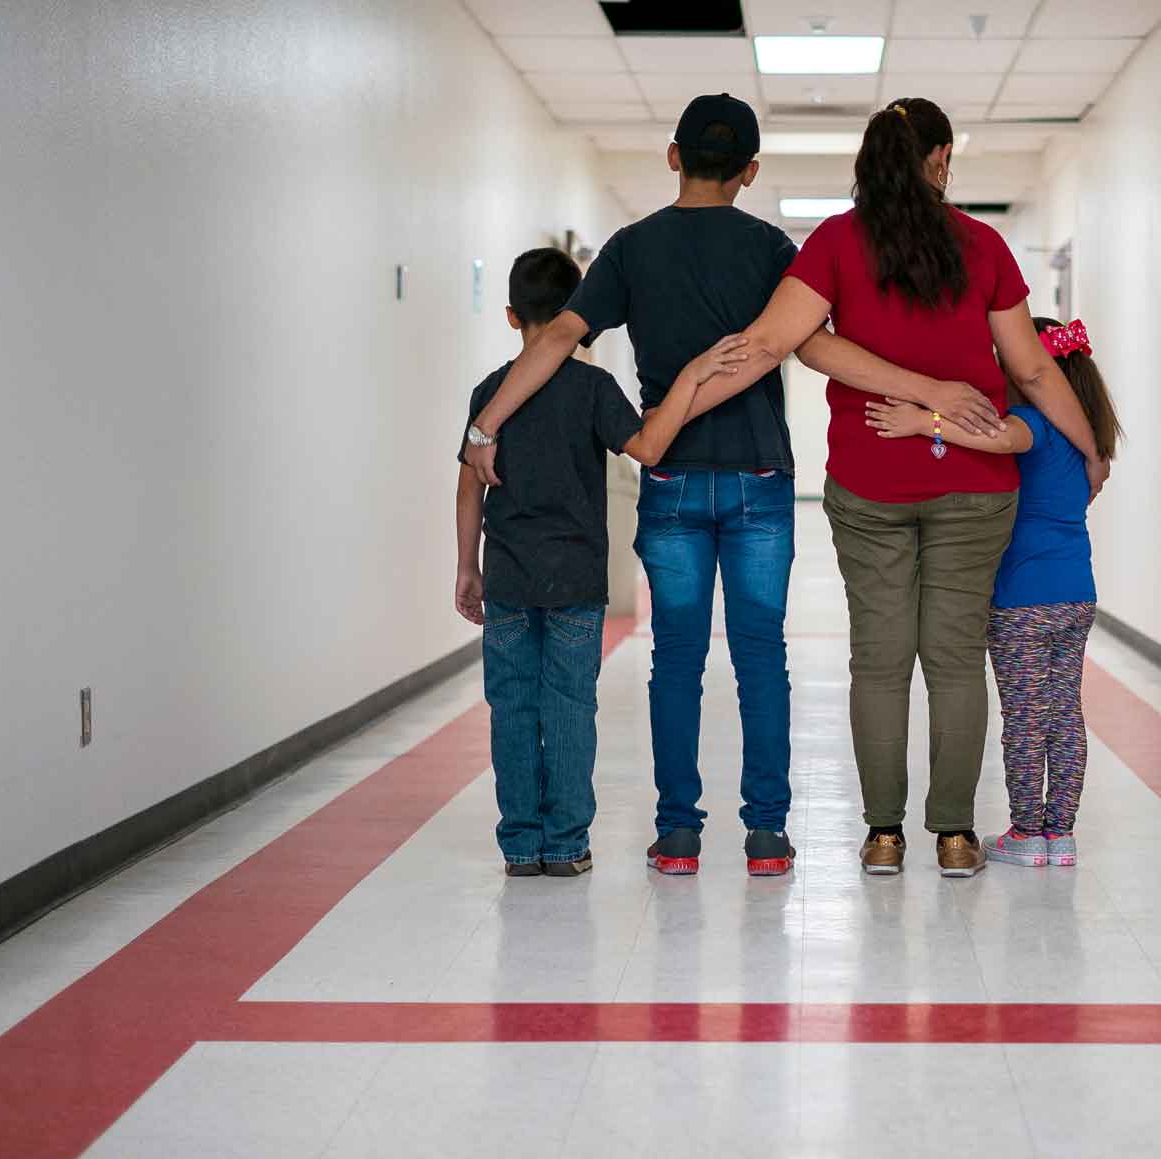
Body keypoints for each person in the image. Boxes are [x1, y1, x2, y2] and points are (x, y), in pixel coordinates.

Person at [458, 95, 1003, 877]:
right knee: (760, 659)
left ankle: (679, 835)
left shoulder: (630, 248)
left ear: (673, 156)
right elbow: (814, 348)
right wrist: (927, 390)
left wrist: (487, 425)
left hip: (672, 476)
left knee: (675, 660)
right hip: (758, 481)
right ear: (751, 172)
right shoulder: (773, 250)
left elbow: (559, 340)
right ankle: (767, 837)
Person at [674, 97, 1111, 878]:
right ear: (940, 160)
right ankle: (954, 835)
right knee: (951, 661)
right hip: (977, 484)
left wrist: (664, 422)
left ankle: (883, 835)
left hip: (871, 481)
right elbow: (1035, 368)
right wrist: (1091, 450)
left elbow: (780, 343)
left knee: (877, 662)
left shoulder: (838, 243)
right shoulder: (982, 247)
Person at [453, 247, 748, 877]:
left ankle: (519, 845)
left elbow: (468, 485)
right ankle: (564, 844)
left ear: (512, 317)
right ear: (581, 318)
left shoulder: (488, 395)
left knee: (512, 707)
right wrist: (691, 377)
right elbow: (648, 446)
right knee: (568, 706)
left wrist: (466, 567)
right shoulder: (592, 389)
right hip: (577, 579)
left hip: (506, 573)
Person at [866, 317, 1123, 867]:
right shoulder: (1089, 442)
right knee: (1064, 714)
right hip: (1076, 594)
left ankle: (1029, 831)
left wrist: (923, 422)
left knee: (1026, 717)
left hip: (1022, 600)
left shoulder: (1035, 423)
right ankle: (1062, 834)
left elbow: (997, 435)